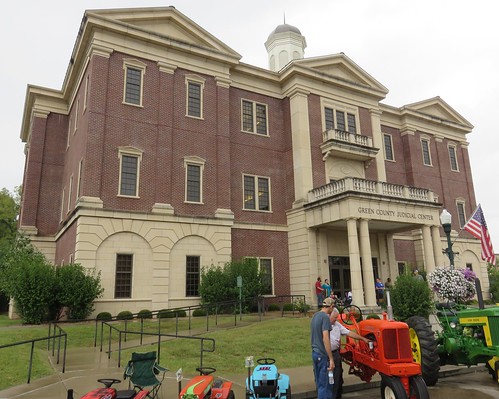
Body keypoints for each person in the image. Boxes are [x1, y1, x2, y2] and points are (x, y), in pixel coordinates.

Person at [329, 308, 370, 399]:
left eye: (337, 317)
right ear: (329, 315)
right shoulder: (324, 325)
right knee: (329, 378)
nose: (336, 319)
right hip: (326, 354)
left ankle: (337, 395)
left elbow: (349, 333)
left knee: (337, 377)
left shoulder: (337, 325)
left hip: (335, 353)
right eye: (335, 317)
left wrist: (362, 339)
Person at [311, 297, 336, 399]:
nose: (333, 310)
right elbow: (325, 338)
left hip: (315, 353)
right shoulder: (325, 318)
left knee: (320, 384)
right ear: (330, 307)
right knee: (325, 386)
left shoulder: (315, 316)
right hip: (322, 355)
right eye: (333, 307)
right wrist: (331, 358)